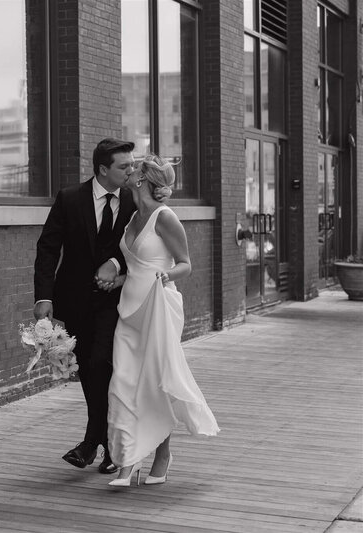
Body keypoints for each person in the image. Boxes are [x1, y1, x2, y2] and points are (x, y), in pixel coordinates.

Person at [106, 154, 219, 487]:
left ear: (142, 179)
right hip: (129, 310)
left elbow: (186, 263)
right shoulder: (132, 218)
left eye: (133, 168)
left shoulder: (165, 217)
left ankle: (162, 455)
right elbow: (134, 266)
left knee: (155, 383)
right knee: (124, 383)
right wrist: (120, 279)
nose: (127, 171)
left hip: (159, 305)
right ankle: (127, 461)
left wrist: (165, 275)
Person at [34, 138, 137, 474]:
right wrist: (44, 297)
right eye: (124, 166)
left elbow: (141, 248)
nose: (130, 170)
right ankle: (107, 445)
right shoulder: (69, 198)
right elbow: (48, 248)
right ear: (103, 169)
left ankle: (91, 443)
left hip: (116, 301)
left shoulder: (136, 200)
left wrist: (117, 266)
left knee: (100, 363)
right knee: (89, 373)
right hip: (75, 300)